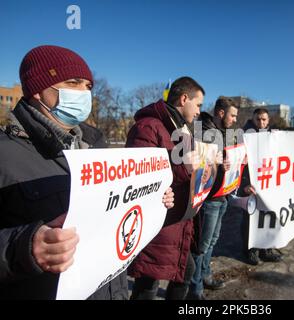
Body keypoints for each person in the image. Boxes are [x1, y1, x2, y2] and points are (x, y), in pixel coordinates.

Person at [0, 45, 174, 300]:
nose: (84, 93)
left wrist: (151, 197)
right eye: (74, 83)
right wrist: (23, 249)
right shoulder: (5, 153)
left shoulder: (96, 145)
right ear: (37, 90)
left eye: (88, 86)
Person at [126, 76, 204, 300]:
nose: (199, 111)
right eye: (198, 105)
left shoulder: (183, 130)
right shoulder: (149, 127)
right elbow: (138, 178)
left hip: (177, 220)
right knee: (148, 282)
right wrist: (185, 169)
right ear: (184, 98)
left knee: (184, 270)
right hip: (158, 221)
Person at [187, 96, 239, 300]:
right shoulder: (203, 130)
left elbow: (222, 158)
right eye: (232, 115)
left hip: (223, 195)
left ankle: (206, 275)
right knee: (201, 245)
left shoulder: (226, 132)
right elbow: (199, 163)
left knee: (213, 240)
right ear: (221, 113)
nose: (235, 119)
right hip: (209, 198)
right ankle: (195, 289)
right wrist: (218, 164)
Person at [240, 108, 283, 265]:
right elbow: (241, 164)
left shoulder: (272, 136)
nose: (261, 122)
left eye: (264, 120)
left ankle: (267, 248)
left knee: (268, 216)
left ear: (268, 120)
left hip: (268, 183)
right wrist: (244, 185)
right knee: (251, 218)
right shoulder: (244, 135)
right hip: (251, 184)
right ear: (253, 119)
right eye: (258, 119)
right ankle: (250, 250)